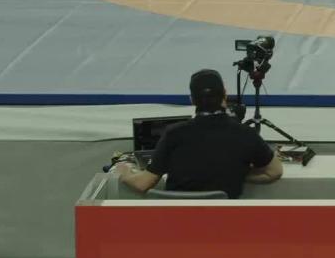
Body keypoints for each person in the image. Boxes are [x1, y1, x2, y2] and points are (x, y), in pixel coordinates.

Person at [112, 69, 284, 199]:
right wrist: (240, 172)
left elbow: (143, 183)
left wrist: (125, 173)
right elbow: (274, 172)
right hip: (223, 228)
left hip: (177, 227)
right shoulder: (245, 134)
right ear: (225, 94)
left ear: (192, 99)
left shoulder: (174, 134)